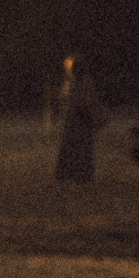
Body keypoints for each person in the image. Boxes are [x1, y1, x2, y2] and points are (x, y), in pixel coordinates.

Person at [53, 56, 102, 185]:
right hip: (74, 118)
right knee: (74, 147)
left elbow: (84, 101)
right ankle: (73, 174)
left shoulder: (82, 82)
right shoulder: (73, 82)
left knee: (80, 147)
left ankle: (80, 174)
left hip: (80, 118)